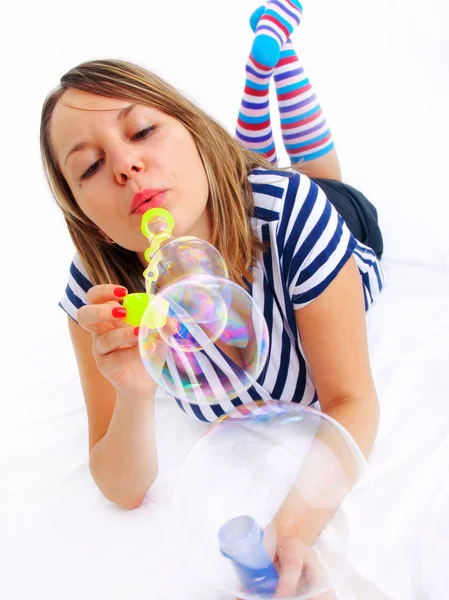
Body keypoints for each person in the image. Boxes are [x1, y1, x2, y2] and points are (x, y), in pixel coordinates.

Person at [40, 1, 383, 595]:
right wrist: (134, 394)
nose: (126, 164)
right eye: (91, 166)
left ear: (193, 133)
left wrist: (292, 530)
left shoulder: (293, 213)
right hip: (235, 190)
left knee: (323, 180)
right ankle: (254, 113)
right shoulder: (99, 295)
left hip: (342, 225)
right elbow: (122, 486)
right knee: (257, 170)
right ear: (89, 222)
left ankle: (276, 70)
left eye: (143, 130)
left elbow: (351, 399)